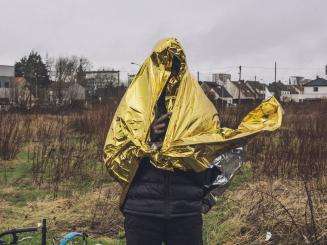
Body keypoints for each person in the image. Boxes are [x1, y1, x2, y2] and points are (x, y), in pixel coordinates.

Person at [122, 55, 220, 245]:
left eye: (174, 72)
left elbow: (210, 158)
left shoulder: (197, 108)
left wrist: (185, 139)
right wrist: (147, 136)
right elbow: (118, 155)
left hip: (185, 210)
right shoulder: (137, 104)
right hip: (143, 209)